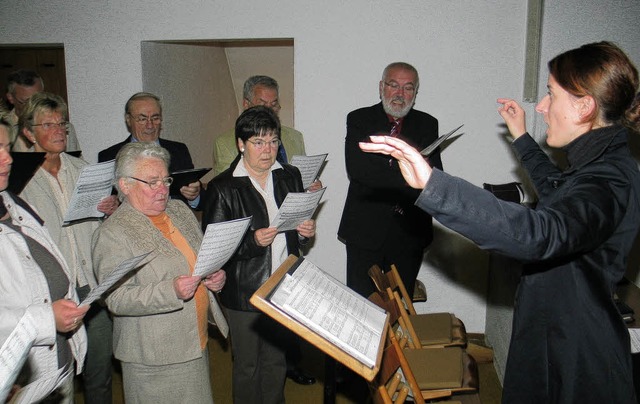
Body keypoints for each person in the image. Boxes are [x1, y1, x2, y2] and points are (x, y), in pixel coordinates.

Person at [360, 41, 640, 403]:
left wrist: (434, 185)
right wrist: (522, 138)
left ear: (585, 106)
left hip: (575, 357)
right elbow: (559, 191)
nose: (541, 106)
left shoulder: (609, 180)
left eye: (551, 95)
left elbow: (541, 233)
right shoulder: (599, 166)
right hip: (555, 336)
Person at [92, 141, 228, 404]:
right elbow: (116, 299)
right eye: (151, 182)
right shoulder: (112, 233)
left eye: (166, 180)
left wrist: (215, 277)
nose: (163, 190)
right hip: (153, 356)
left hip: (193, 341)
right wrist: (171, 290)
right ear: (125, 185)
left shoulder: (178, 211)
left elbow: (201, 260)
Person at [202, 105, 316, 403]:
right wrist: (252, 241)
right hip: (244, 290)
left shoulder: (289, 176)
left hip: (283, 284)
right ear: (241, 144)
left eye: (273, 141)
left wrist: (304, 234)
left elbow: (294, 237)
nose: (267, 150)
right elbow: (213, 251)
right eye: (258, 142)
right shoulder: (223, 187)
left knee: (276, 361)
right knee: (248, 366)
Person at [17, 92, 118, 404]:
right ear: (28, 133)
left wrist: (111, 207)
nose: (58, 130)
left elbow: (102, 227)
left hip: (90, 285)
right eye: (48, 125)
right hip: (51, 292)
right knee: (56, 378)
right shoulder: (18, 180)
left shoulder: (84, 169)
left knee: (100, 372)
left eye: (62, 123)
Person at [0, 113, 88, 403]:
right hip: (18, 376)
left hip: (53, 365)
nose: (8, 159)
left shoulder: (12, 203)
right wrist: (45, 318)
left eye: (6, 148)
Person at [338, 62, 443, 298]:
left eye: (408, 88)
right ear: (381, 87)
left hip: (410, 232)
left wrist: (395, 172)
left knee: (399, 307)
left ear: (415, 93)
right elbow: (359, 171)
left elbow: (433, 176)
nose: (399, 94)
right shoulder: (359, 119)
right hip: (364, 230)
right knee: (361, 305)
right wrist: (410, 171)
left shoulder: (428, 124)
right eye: (393, 85)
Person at [98, 92, 202, 208]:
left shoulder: (179, 151)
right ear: (128, 120)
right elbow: (106, 203)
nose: (150, 125)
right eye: (142, 119)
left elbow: (201, 200)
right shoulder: (109, 157)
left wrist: (194, 196)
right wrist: (111, 206)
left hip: (173, 223)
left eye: (155, 118)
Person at [5, 69, 81, 152]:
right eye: (26, 102)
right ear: (11, 98)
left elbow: (76, 162)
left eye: (39, 99)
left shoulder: (65, 128)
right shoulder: (3, 128)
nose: (34, 105)